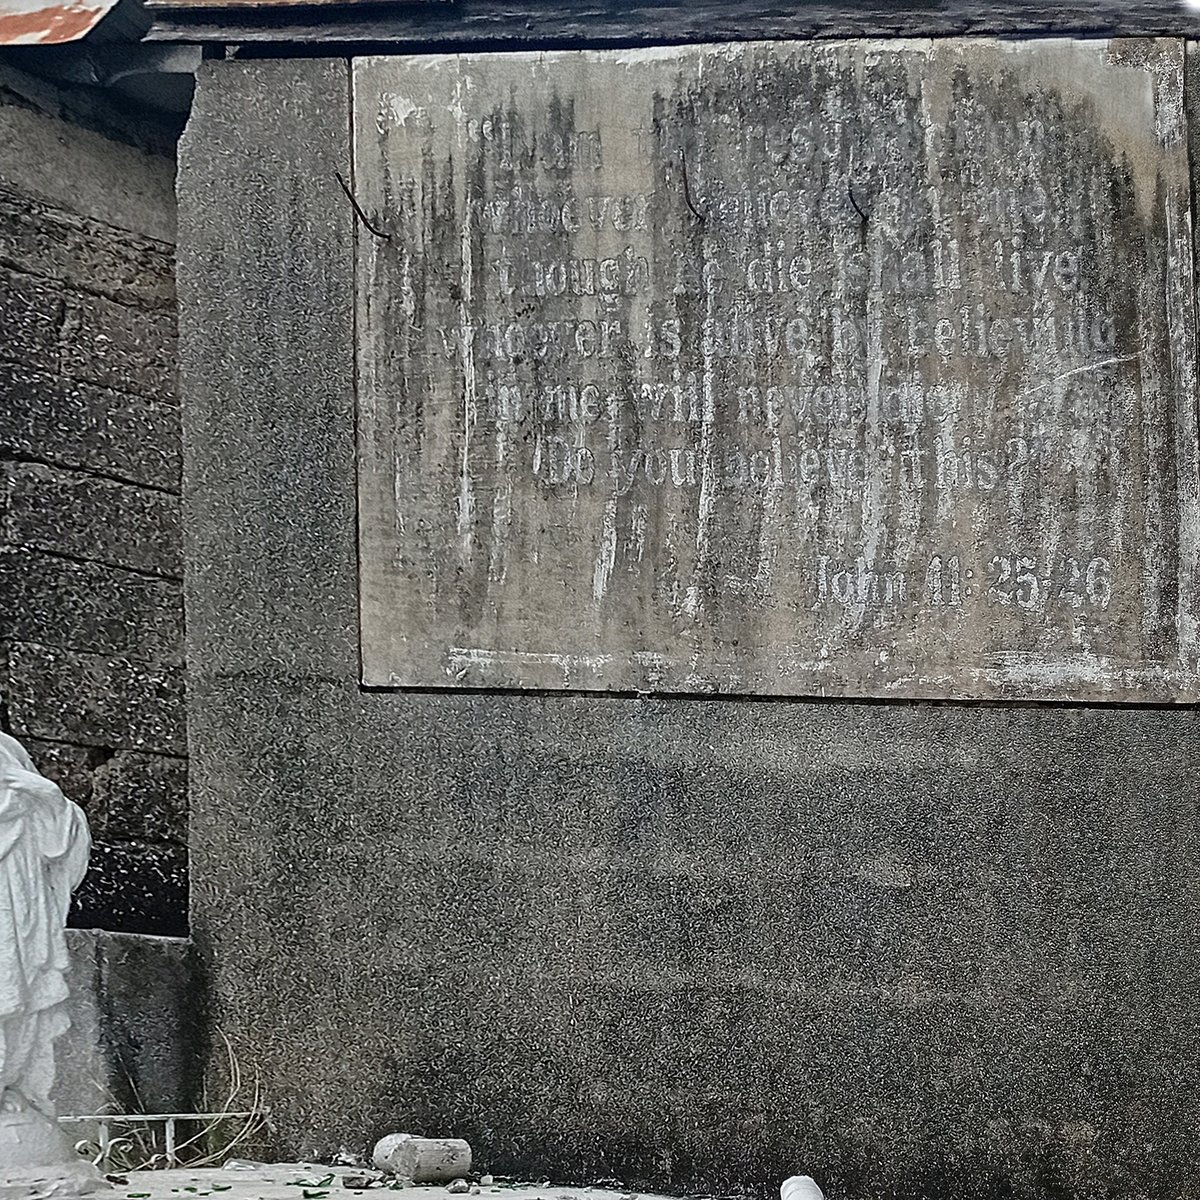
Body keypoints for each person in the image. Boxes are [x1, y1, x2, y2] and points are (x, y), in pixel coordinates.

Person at [0, 732, 90, 1117]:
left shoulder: (7, 749)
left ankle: (8, 1083)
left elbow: (55, 845)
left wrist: (50, 796)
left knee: (19, 994)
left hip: (19, 898)